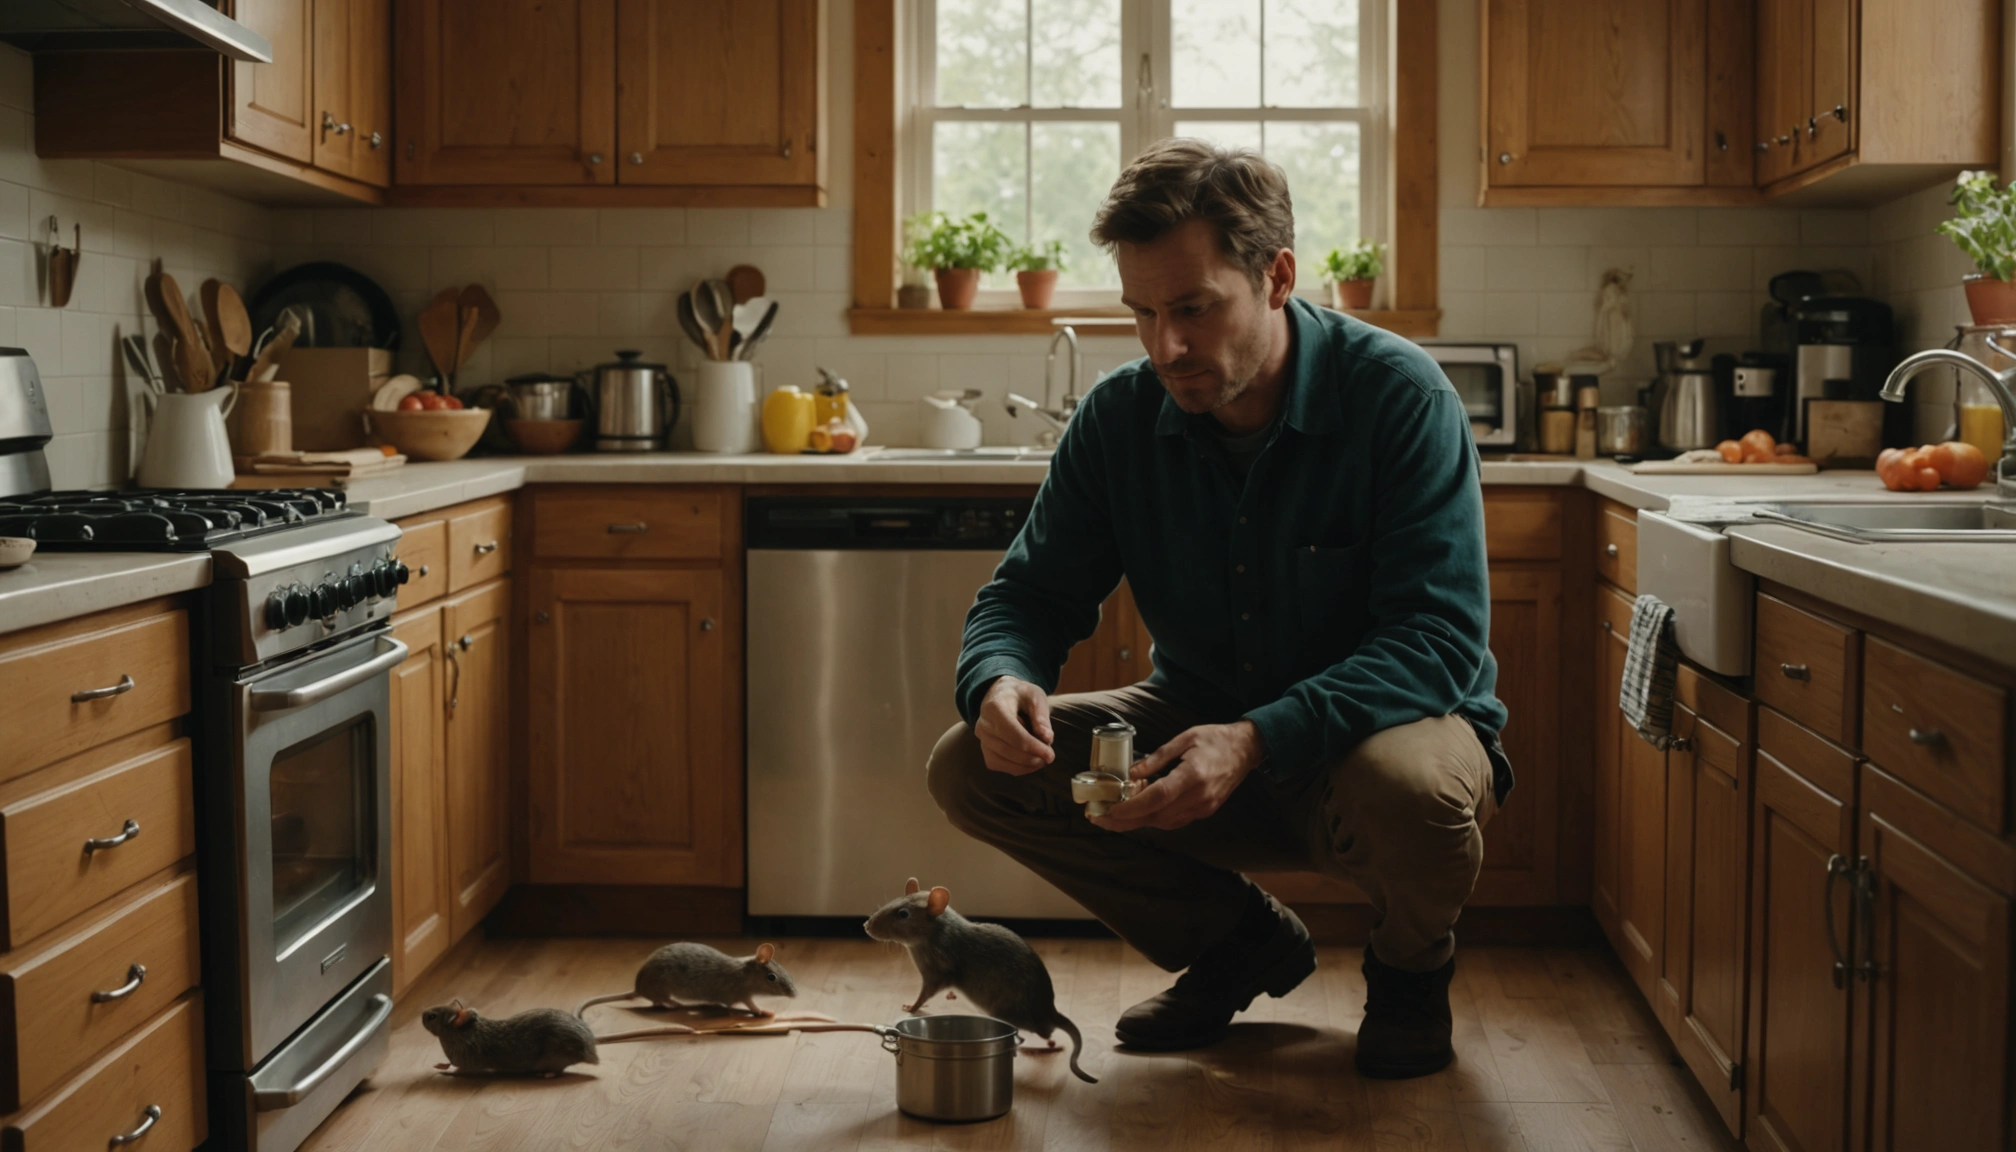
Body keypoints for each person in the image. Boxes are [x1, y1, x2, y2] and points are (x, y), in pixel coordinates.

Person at [925, 138, 1512, 1080]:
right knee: (969, 768)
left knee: (1409, 787)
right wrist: (1002, 678)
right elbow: (1028, 596)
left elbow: (1438, 641)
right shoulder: (1118, 418)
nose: (1167, 346)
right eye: (1143, 314)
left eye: (1195, 308)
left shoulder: (1400, 398)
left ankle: (1411, 969)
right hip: (1193, 723)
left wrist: (1257, 736)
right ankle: (1239, 941)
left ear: (1277, 277)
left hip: (1383, 737)